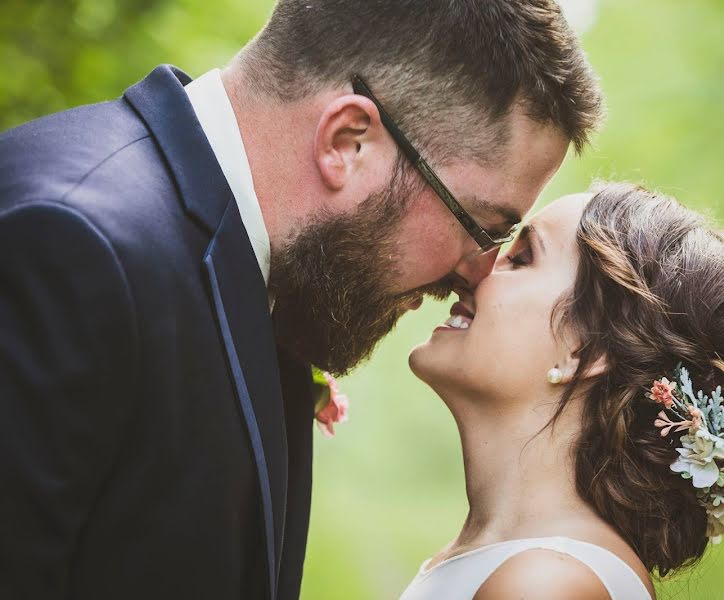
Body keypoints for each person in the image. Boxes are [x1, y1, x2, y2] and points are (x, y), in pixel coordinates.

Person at [0, 1, 602, 599]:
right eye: (482, 226)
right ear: (347, 141)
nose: (477, 275)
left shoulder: (273, 276)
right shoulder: (69, 245)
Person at [404, 183, 724, 599]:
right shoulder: (509, 562)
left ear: (585, 349)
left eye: (523, 258)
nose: (476, 268)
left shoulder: (546, 584)